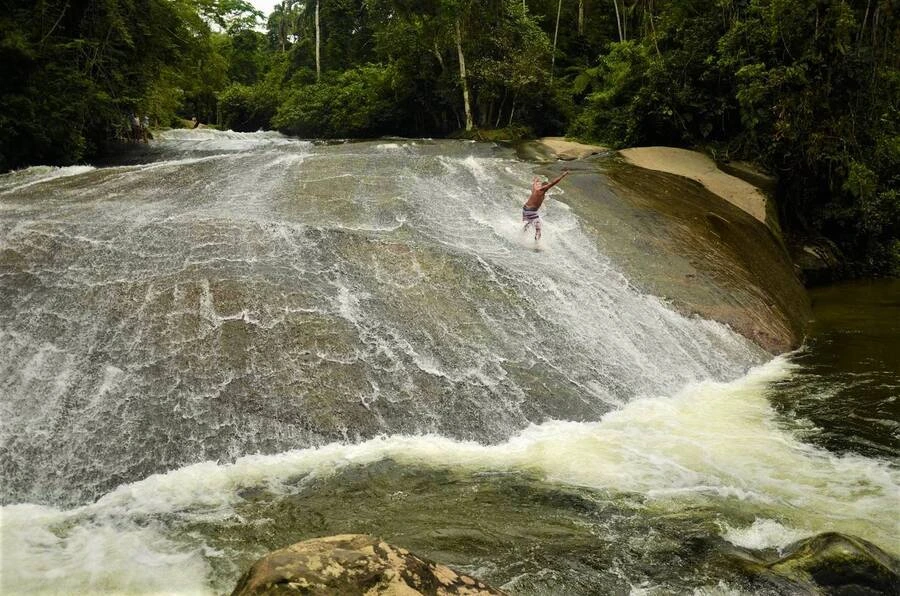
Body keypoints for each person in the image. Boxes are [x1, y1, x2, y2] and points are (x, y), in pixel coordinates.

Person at [522, 169, 569, 241]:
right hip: (530, 211)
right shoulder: (542, 190)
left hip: (526, 209)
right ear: (545, 187)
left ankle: (522, 233)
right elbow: (553, 183)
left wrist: (535, 180)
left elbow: (534, 183)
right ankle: (537, 245)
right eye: (547, 187)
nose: (547, 188)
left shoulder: (536, 188)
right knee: (538, 229)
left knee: (530, 222)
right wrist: (563, 175)